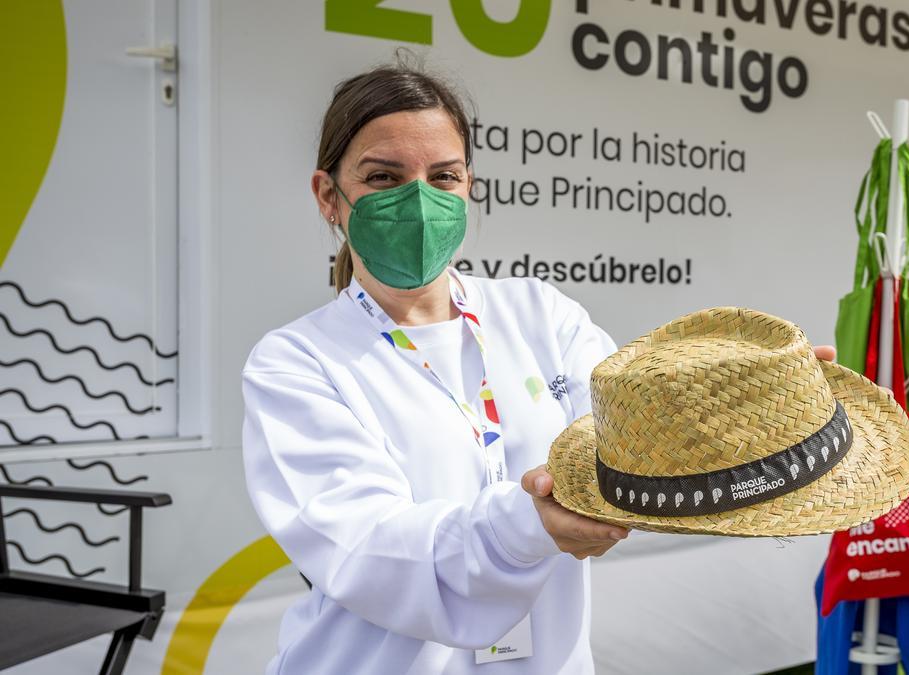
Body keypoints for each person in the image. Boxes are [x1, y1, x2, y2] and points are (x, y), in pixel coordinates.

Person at [242, 59, 836, 674]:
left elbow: (635, 437)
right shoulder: (297, 364)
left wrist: (754, 410)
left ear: (468, 184)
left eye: (442, 176)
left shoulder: (537, 312)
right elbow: (372, 551)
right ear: (328, 196)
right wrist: (528, 526)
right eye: (384, 177)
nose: (417, 200)